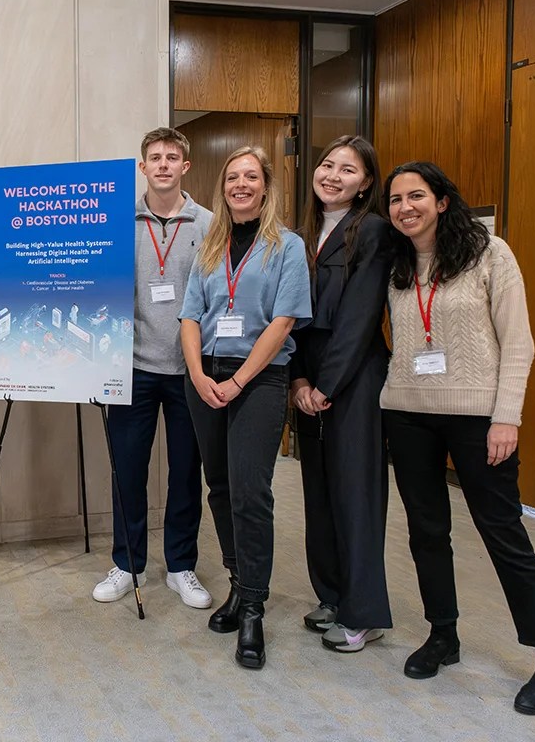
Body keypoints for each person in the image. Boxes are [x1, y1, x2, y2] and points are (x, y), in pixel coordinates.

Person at [382, 161, 535, 714]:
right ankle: (444, 634)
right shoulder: (393, 263)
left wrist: (506, 417)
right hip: (408, 413)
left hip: (478, 418)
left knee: (502, 532)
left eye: (416, 196)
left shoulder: (491, 252)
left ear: (442, 201)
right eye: (395, 200)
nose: (404, 207)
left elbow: (519, 343)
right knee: (426, 531)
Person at [179, 145, 311, 669]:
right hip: (204, 375)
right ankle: (238, 584)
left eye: (250, 177)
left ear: (265, 185)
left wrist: (237, 380)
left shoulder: (288, 246)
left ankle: (253, 606)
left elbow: (283, 322)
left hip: (257, 379)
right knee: (221, 487)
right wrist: (197, 375)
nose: (240, 185)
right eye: (232, 177)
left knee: (252, 491)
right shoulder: (209, 246)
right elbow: (190, 316)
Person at [93, 127, 214, 609]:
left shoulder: (208, 223)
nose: (163, 165)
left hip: (190, 370)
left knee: (187, 472)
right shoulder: (117, 221)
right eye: (154, 158)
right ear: (142, 167)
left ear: (186, 166)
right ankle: (127, 564)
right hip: (133, 369)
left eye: (172, 157)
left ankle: (181, 566)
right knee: (128, 470)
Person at [289, 136, 395, 652]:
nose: (332, 175)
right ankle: (332, 594)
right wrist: (299, 381)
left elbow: (358, 318)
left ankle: (364, 611)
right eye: (327, 164)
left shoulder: (372, 231)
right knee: (321, 494)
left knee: (356, 495)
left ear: (366, 183)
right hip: (308, 377)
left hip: (353, 380)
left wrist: (326, 384)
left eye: (347, 170)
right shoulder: (301, 234)